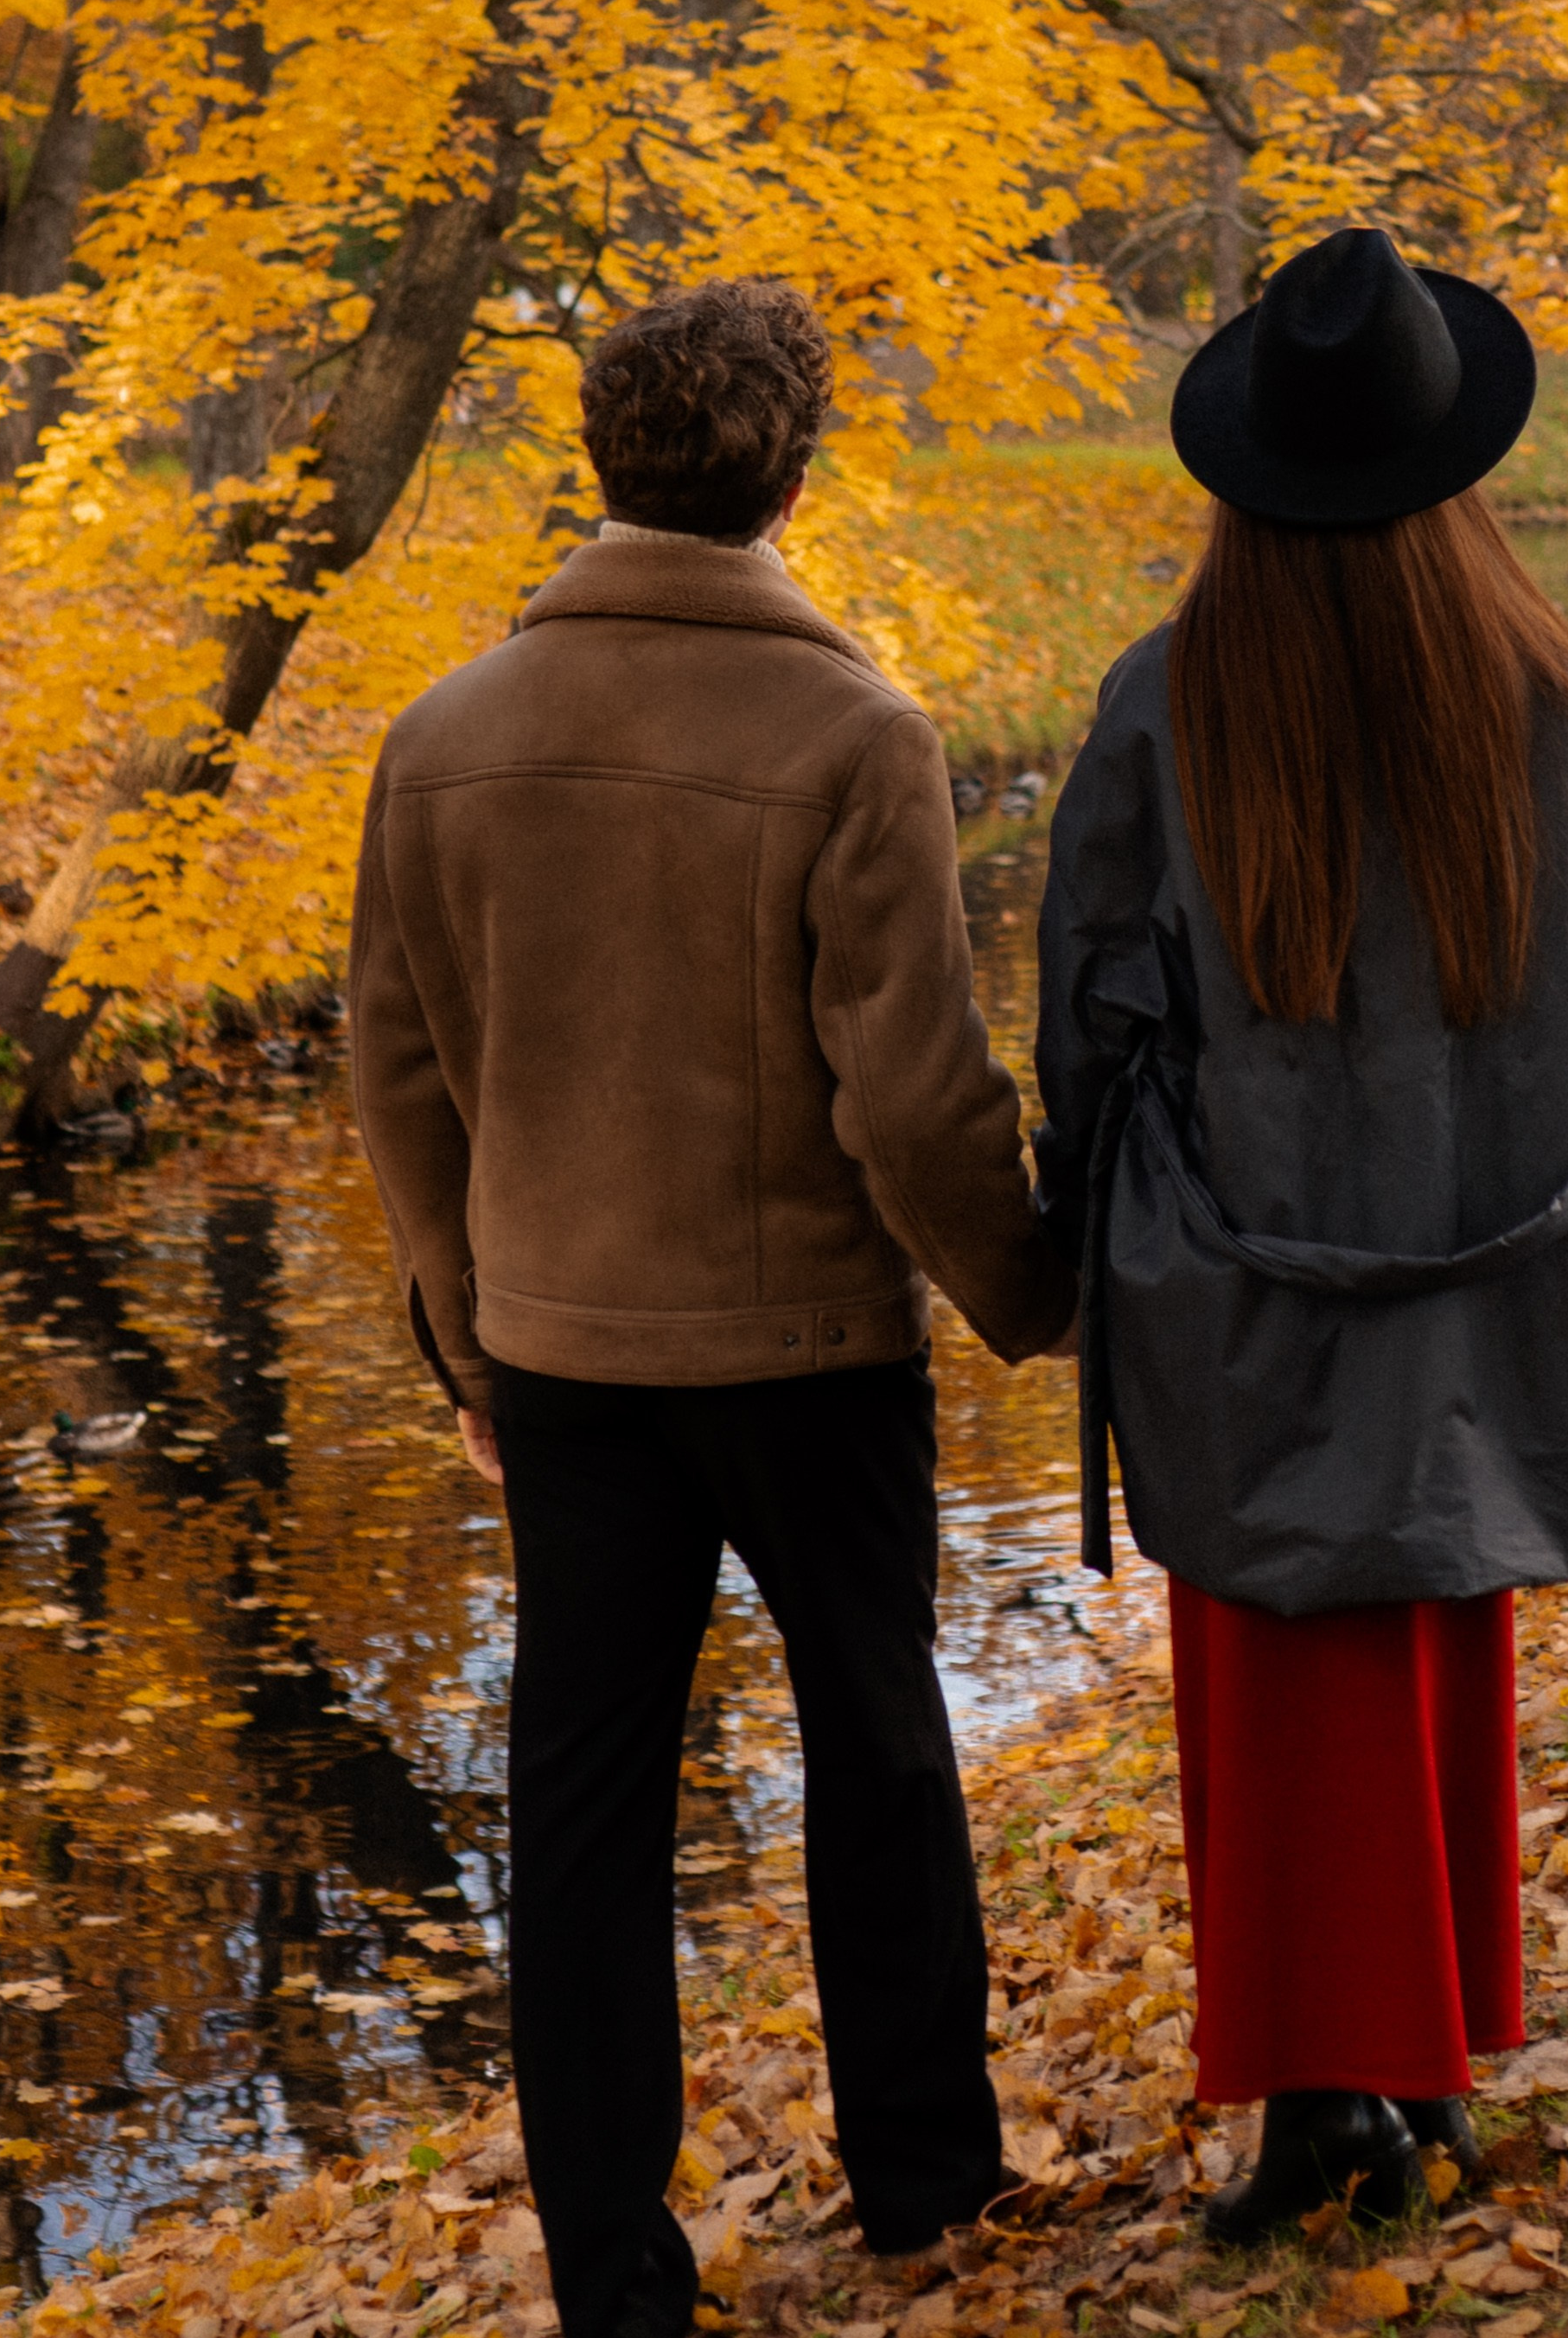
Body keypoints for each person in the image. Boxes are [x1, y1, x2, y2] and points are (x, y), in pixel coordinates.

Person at [348, 280, 1074, 2338]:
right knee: (877, 1741)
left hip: (567, 1354)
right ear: (795, 464)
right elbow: (916, 1097)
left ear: (600, 455)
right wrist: (1028, 1289)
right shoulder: (855, 735)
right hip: (811, 1351)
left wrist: (468, 1339)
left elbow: (392, 1071)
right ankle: (927, 2181)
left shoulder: (442, 739)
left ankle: (611, 2267)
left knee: (581, 1801)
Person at [1035, 230, 1568, 2240]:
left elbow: (1087, 1020)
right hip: (1491, 1276)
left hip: (1233, 1296)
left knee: (1277, 1712)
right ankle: (1405, 2085)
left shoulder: (1165, 702)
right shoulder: (1530, 694)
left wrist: (1075, 1250)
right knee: (1436, 1675)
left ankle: (1328, 2108)